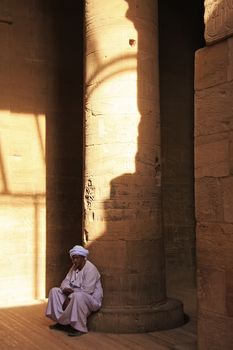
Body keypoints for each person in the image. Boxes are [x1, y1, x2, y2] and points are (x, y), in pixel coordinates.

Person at [46, 245, 103, 337]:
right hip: (73, 294)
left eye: (77, 258)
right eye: (73, 258)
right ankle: (62, 323)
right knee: (54, 291)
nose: (75, 260)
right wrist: (65, 289)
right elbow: (65, 281)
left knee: (78, 296)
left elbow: (87, 291)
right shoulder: (74, 267)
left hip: (90, 300)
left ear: (83, 258)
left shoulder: (91, 269)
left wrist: (70, 296)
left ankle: (79, 328)